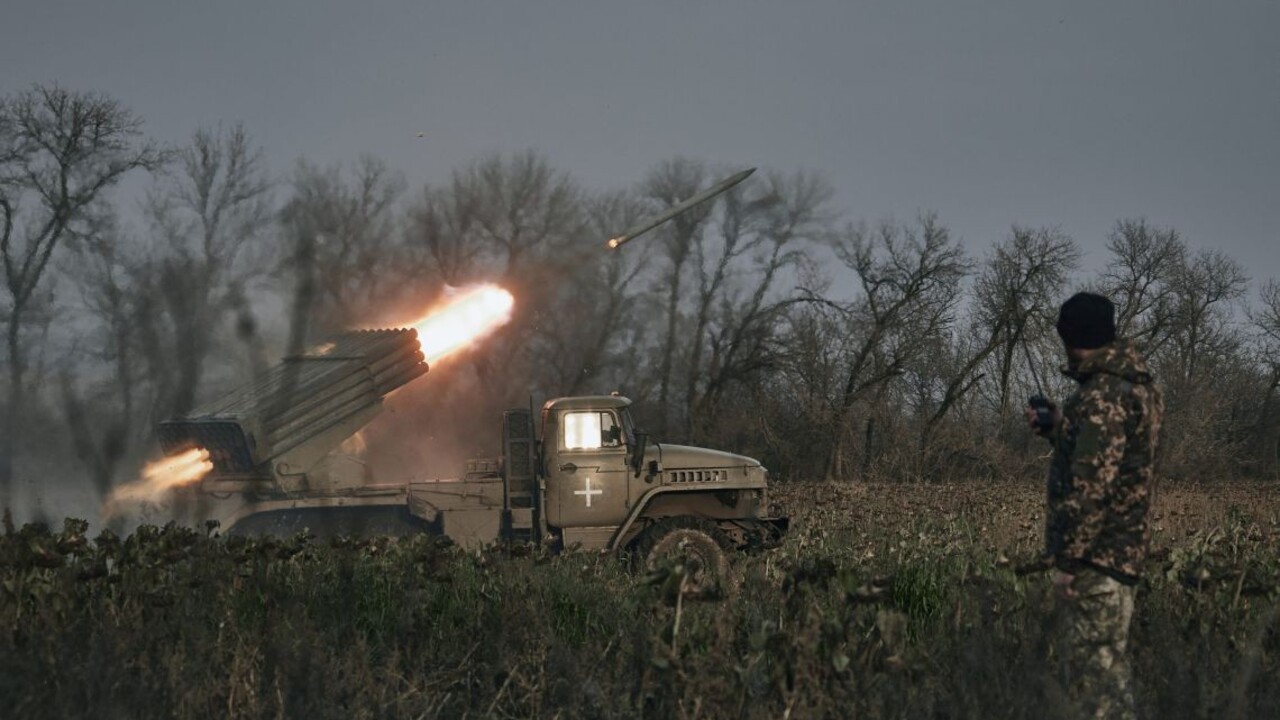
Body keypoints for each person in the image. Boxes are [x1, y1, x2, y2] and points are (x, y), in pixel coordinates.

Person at [1026, 292, 1163, 720]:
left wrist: (1069, 563)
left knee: (1095, 689)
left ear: (1069, 336)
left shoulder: (1101, 397)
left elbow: (1092, 489)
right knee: (1107, 680)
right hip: (1120, 555)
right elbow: (1113, 458)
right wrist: (1061, 428)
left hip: (1098, 559)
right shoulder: (1135, 387)